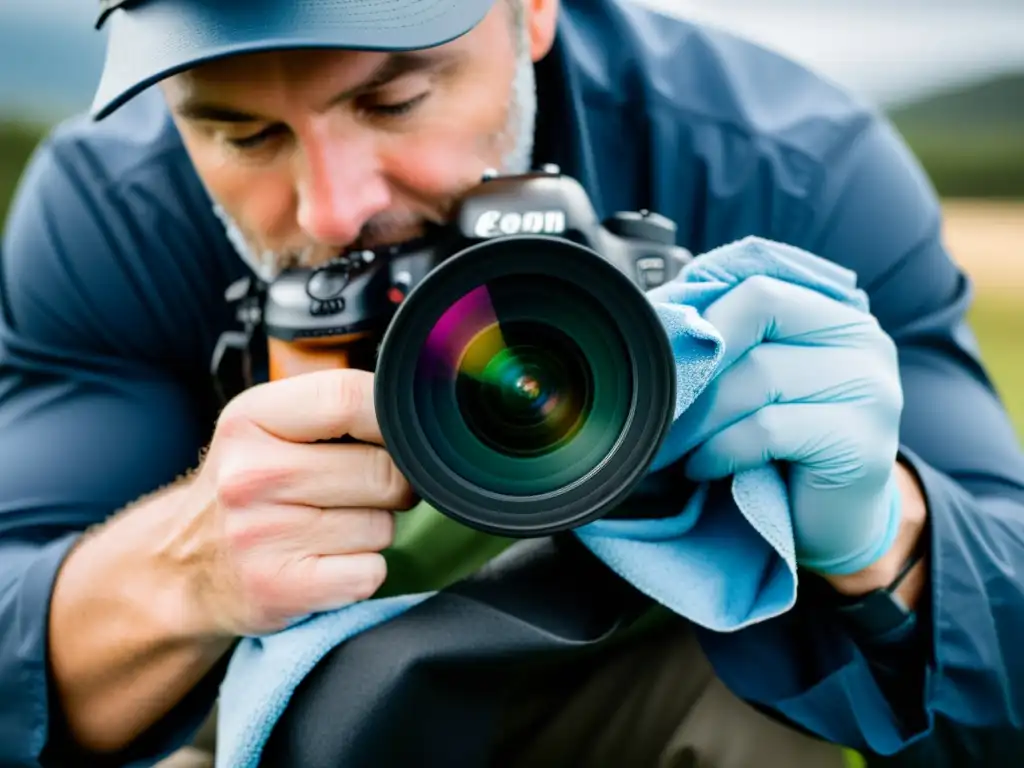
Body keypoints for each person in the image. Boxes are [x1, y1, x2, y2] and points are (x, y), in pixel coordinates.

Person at [1, 0, 1023, 766]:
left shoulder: (788, 166)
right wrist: (190, 570)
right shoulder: (113, 203)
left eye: (392, 99)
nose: (331, 210)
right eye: (240, 133)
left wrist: (891, 541)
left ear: (532, 8)